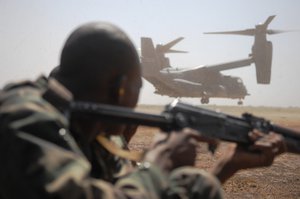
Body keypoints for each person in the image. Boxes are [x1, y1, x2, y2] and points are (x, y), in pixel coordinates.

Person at [0, 21, 286, 199]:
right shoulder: (22, 116)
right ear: (121, 87)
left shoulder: (92, 133)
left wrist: (226, 166)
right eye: (138, 89)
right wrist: (157, 165)